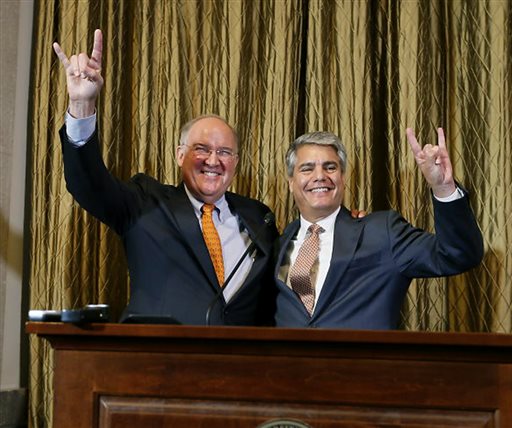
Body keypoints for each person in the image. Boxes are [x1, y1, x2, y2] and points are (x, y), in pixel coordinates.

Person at [53, 29, 279, 325]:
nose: (213, 160)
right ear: (179, 154)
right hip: (156, 363)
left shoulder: (259, 218)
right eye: (201, 149)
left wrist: (345, 221)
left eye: (224, 152)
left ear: (235, 162)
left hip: (238, 366)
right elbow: (89, 186)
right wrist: (82, 106)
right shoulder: (144, 202)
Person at [273, 129, 484, 329]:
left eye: (330, 167)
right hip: (287, 367)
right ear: (291, 182)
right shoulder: (276, 245)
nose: (320, 176)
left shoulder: (382, 232)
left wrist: (443, 187)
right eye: (307, 168)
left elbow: (458, 255)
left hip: (364, 366)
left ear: (343, 178)